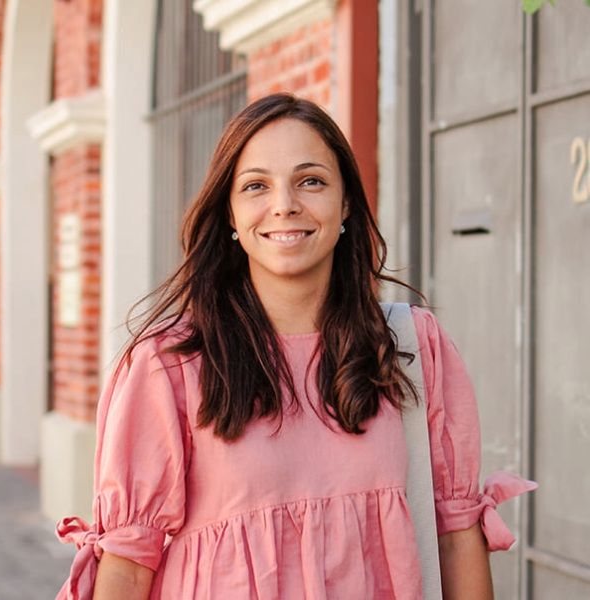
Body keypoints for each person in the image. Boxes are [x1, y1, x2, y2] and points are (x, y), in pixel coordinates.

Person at [55, 92, 536, 600]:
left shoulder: (412, 349)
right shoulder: (168, 367)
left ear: (346, 201)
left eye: (311, 181)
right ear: (231, 216)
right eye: (256, 186)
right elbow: (128, 568)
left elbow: (458, 537)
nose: (284, 204)